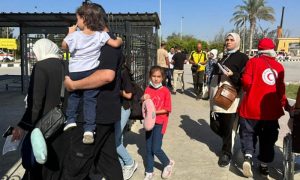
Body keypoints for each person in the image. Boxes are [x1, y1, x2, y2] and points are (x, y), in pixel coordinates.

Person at [62, 2, 123, 179]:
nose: (77, 23)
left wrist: (74, 85)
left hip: (94, 115)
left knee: (76, 166)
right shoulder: (98, 38)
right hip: (102, 114)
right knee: (108, 161)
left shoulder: (105, 41)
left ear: (89, 19)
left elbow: (106, 75)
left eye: (79, 19)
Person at [11, 38, 66, 179]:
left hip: (44, 125)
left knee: (40, 164)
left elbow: (36, 102)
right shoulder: (65, 65)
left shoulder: (41, 67)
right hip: (62, 121)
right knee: (58, 164)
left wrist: (23, 125)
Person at [238, 38, 291, 178]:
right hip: (270, 112)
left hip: (250, 108)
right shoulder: (279, 67)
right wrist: (285, 104)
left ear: (259, 49)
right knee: (268, 139)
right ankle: (264, 166)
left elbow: (246, 83)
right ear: (272, 50)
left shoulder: (252, 62)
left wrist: (252, 87)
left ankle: (248, 157)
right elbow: (281, 90)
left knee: (248, 134)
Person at [209, 33, 248, 167]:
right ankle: (227, 141)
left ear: (237, 42)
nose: (228, 42)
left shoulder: (243, 58)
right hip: (217, 95)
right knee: (214, 124)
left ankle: (226, 153)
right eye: (227, 39)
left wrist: (233, 75)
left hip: (230, 96)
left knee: (228, 125)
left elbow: (244, 78)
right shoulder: (224, 55)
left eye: (232, 40)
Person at [142, 66, 175, 180]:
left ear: (163, 77)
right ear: (150, 76)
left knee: (156, 148)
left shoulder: (165, 91)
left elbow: (167, 109)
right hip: (148, 123)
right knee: (148, 148)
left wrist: (154, 111)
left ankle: (167, 163)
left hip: (160, 123)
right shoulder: (147, 89)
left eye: (158, 77)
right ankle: (149, 171)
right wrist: (143, 98)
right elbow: (144, 104)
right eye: (154, 76)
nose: (156, 79)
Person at [115, 60, 138, 180]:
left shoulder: (123, 71)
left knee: (115, 141)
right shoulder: (113, 70)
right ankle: (122, 164)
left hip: (124, 108)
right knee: (119, 138)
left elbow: (129, 95)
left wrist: (115, 91)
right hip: (116, 108)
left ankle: (130, 162)